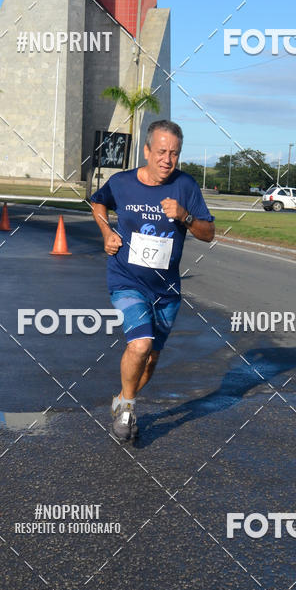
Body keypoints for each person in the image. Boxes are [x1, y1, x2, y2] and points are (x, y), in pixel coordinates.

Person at [90, 120, 215, 442]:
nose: (167, 160)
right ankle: (128, 408)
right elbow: (97, 201)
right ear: (146, 151)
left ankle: (121, 397)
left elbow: (208, 233)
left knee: (151, 357)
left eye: (174, 153)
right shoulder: (122, 183)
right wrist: (107, 233)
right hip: (126, 279)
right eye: (161, 151)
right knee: (140, 344)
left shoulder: (185, 186)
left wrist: (185, 216)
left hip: (167, 289)